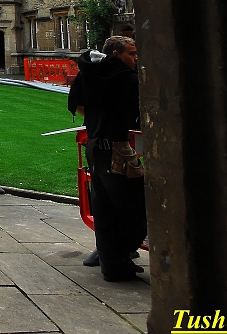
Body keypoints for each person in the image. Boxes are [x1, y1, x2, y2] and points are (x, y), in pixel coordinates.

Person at [74, 35, 146, 281]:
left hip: (95, 147)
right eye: (131, 53)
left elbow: (79, 105)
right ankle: (121, 256)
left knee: (104, 208)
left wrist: (98, 121)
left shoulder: (88, 73)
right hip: (118, 148)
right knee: (135, 206)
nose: (135, 58)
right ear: (116, 54)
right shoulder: (127, 78)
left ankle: (112, 264)